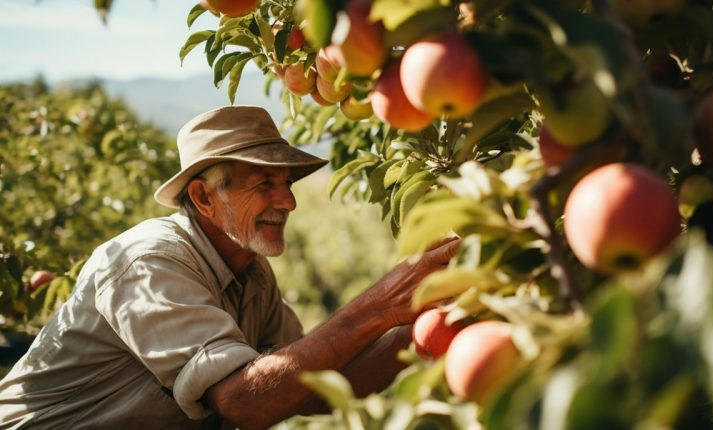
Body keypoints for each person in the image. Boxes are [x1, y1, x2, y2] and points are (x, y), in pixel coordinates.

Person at [0, 106, 459, 429]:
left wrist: (421, 323)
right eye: (265, 183)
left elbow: (313, 388)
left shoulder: (251, 276)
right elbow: (244, 403)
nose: (289, 201)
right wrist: (382, 305)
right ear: (203, 197)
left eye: (286, 183)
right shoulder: (150, 262)